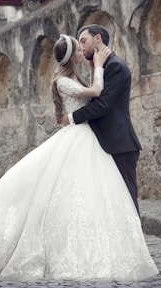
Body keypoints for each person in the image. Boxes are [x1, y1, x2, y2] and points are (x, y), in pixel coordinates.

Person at [0, 34, 158, 281]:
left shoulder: (90, 73)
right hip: (79, 138)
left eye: (84, 42)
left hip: (89, 139)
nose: (82, 50)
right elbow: (96, 94)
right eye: (78, 47)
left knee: (88, 195)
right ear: (71, 57)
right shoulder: (65, 81)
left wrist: (86, 86)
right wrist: (96, 70)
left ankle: (104, 243)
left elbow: (100, 102)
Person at [62, 24, 142, 213]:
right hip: (105, 144)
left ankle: (133, 241)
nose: (81, 47)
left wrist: (71, 117)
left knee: (127, 199)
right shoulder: (100, 68)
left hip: (119, 144)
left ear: (98, 38)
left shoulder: (115, 66)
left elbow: (102, 106)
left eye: (84, 41)